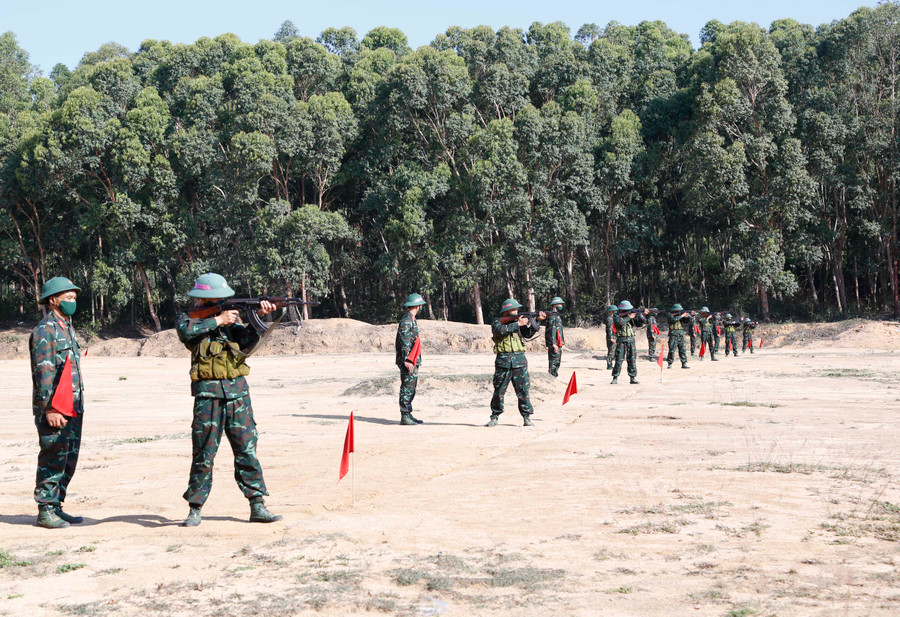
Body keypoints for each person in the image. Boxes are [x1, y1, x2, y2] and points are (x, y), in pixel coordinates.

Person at [175, 273, 281, 527]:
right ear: (200, 299)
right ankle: (195, 508)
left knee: (247, 450)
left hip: (238, 396)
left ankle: (257, 504)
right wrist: (218, 319)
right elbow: (185, 333)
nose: (220, 302)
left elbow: (246, 344)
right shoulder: (188, 319)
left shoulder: (231, 324)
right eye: (214, 299)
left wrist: (265, 317)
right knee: (203, 453)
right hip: (207, 396)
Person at [30, 277, 85, 529]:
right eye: (69, 298)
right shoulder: (45, 330)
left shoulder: (67, 327)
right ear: (53, 299)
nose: (73, 302)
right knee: (52, 457)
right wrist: (49, 408)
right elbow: (44, 373)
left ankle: (57, 506)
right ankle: (45, 510)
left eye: (74, 298)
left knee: (68, 458)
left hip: (73, 406)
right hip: (55, 409)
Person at [486, 299, 545, 427]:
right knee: (499, 391)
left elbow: (527, 334)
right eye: (514, 310)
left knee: (523, 391)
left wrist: (538, 320)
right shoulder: (497, 321)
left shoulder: (519, 322)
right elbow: (499, 330)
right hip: (503, 361)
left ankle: (526, 417)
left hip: (520, 361)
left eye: (517, 310)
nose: (516, 311)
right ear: (507, 311)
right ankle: (494, 416)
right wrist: (517, 324)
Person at [396, 293, 426, 425]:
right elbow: (405, 342)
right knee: (407, 388)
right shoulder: (407, 320)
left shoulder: (411, 319)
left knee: (411, 387)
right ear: (417, 305)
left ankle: (408, 413)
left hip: (413, 359)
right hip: (409, 360)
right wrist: (407, 360)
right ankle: (405, 416)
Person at [610, 301, 647, 384]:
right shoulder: (616, 315)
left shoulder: (630, 316)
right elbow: (619, 323)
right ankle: (615, 377)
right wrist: (629, 317)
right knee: (619, 359)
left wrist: (642, 315)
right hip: (621, 340)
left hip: (631, 340)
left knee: (632, 359)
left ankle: (632, 377)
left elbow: (638, 324)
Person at [544, 297, 565, 377]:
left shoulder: (555, 315)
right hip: (555, 343)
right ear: (555, 305)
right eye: (560, 304)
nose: (561, 305)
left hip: (557, 342)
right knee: (554, 362)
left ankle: (554, 376)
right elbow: (552, 330)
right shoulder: (553, 316)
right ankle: (552, 377)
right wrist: (554, 344)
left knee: (557, 362)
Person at [665, 304, 691, 369]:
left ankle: (684, 363)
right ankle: (670, 363)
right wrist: (682, 315)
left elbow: (686, 322)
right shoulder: (669, 315)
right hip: (673, 334)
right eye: (678, 310)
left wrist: (686, 317)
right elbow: (673, 320)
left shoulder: (680, 316)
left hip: (681, 334)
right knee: (672, 350)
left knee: (683, 349)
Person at [605, 304, 617, 370]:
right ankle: (609, 365)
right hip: (611, 337)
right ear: (611, 311)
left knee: (614, 351)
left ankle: (611, 364)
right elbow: (609, 329)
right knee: (611, 351)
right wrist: (611, 337)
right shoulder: (609, 319)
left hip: (614, 336)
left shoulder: (612, 318)